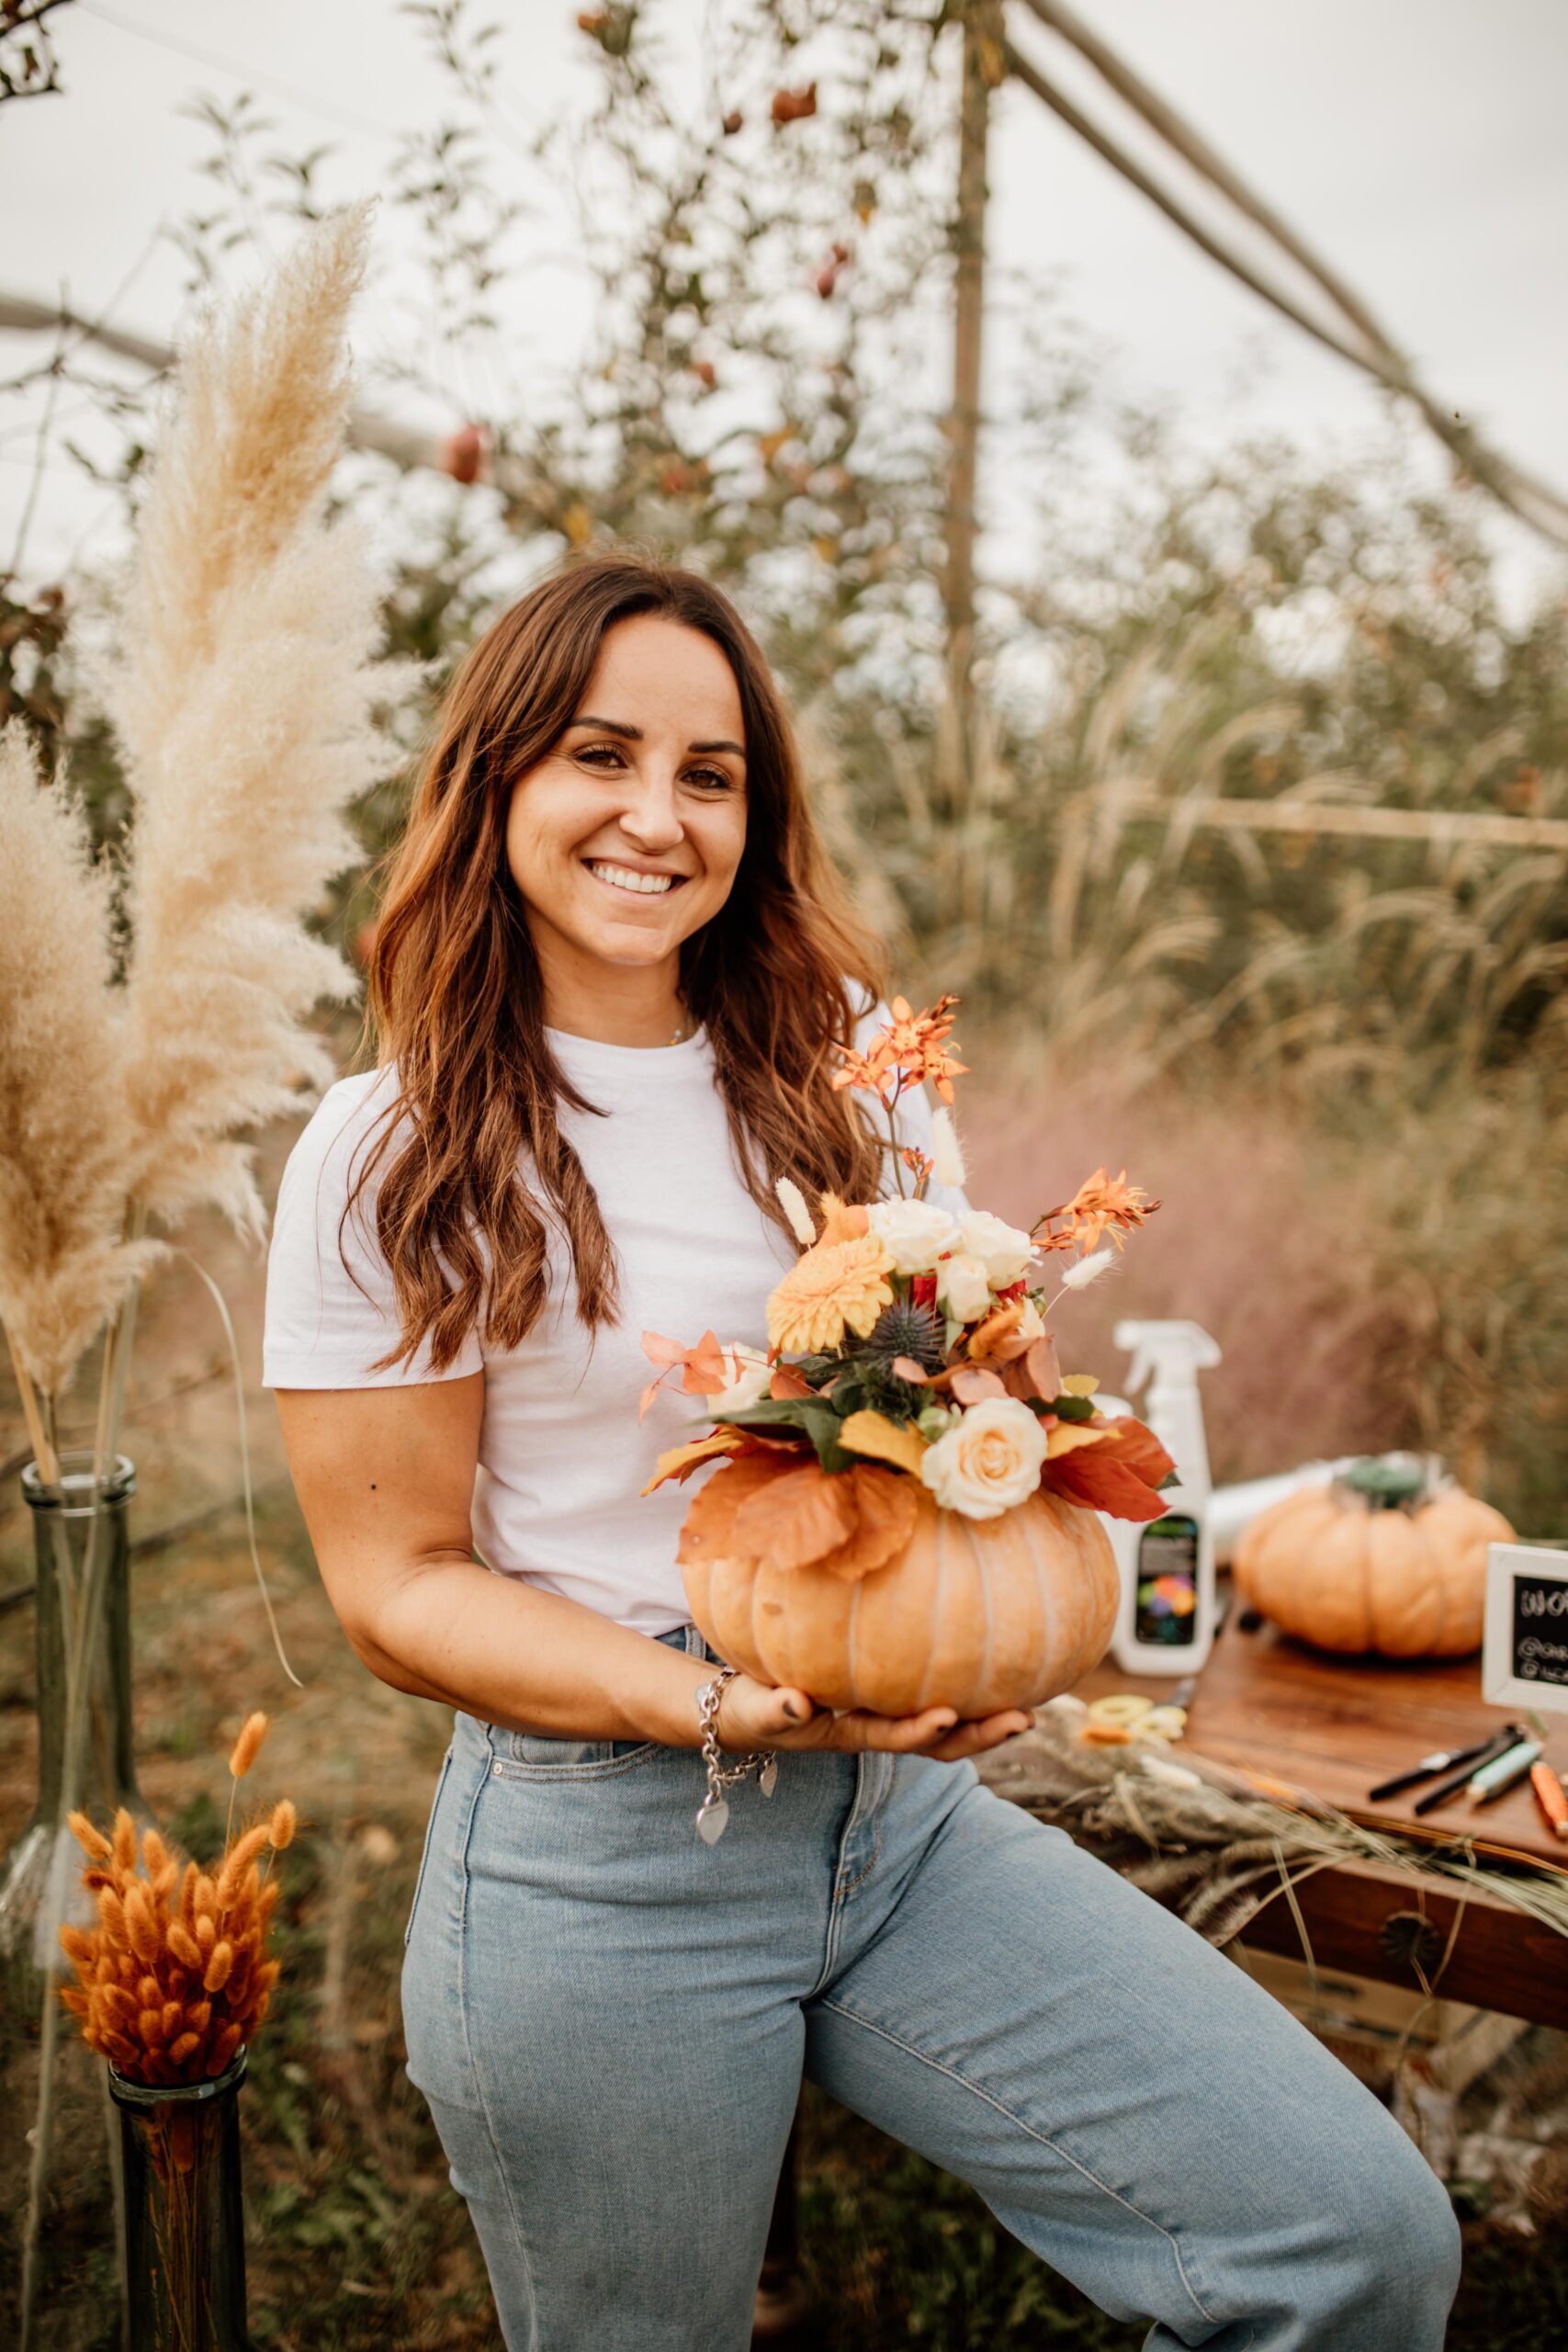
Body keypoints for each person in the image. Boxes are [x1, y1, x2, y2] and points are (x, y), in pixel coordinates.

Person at [263, 551, 1461, 2352]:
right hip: (608, 1850)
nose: (657, 815)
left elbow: (972, 1409)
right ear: (499, 776)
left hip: (902, 1824)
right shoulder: (394, 1146)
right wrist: (722, 1707)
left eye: (711, 772)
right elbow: (394, 1588)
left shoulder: (846, 1074)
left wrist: (994, 1522)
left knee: (1342, 2234)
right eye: (600, 753)